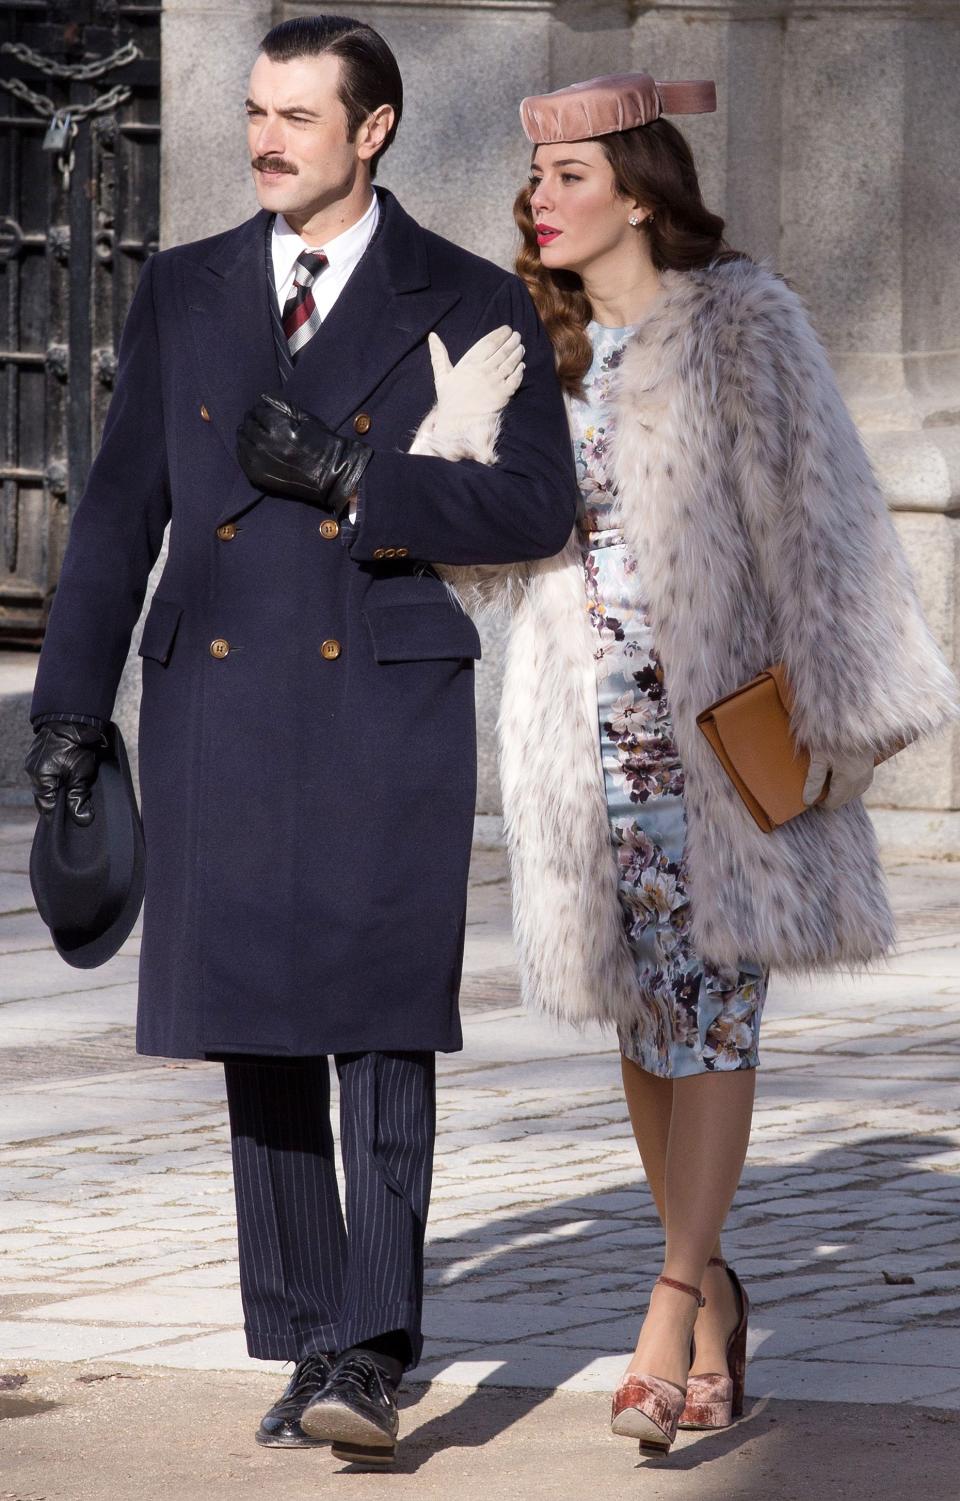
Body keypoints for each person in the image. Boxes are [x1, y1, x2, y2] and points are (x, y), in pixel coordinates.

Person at [23, 15, 576, 1471]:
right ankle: (311, 1333)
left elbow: (535, 508)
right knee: (255, 1021)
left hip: (383, 700)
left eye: (296, 117)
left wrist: (354, 475)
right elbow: (119, 507)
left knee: (384, 1020)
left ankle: (373, 1342)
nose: (264, 138)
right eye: (254, 111)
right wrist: (70, 707)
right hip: (217, 691)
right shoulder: (190, 287)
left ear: (374, 129)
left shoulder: (465, 297)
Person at [423, 71, 959, 1456]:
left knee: (714, 1014)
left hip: (723, 742)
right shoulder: (534, 345)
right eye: (534, 184)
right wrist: (455, 424)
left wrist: (850, 717)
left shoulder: (744, 327)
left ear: (642, 192)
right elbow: (475, 555)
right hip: (583, 744)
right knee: (645, 1026)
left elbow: (832, 519)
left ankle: (668, 1300)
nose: (541, 205)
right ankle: (718, 1290)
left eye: (569, 179)